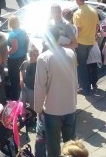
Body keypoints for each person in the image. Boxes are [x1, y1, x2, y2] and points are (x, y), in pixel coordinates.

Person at [34, 25, 78, 157]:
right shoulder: (70, 53)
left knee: (53, 147)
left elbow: (40, 86)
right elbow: (75, 80)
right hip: (70, 106)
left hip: (52, 109)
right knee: (70, 146)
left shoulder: (44, 58)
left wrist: (38, 108)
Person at [73, 0, 100, 95]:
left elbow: (77, 29)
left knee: (81, 65)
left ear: (78, 0)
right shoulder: (93, 10)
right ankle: (89, 84)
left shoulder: (78, 13)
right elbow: (97, 26)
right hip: (90, 42)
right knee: (86, 64)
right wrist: (93, 34)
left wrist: (73, 41)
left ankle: (85, 88)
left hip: (81, 42)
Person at [6, 15, 28, 100]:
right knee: (21, 77)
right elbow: (27, 40)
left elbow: (14, 48)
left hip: (14, 60)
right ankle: (22, 97)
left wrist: (6, 53)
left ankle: (15, 98)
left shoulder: (12, 34)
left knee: (14, 80)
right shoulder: (23, 30)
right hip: (23, 57)